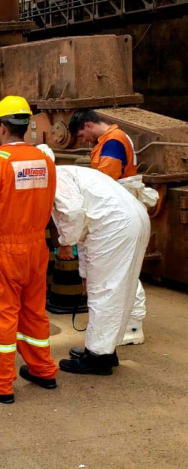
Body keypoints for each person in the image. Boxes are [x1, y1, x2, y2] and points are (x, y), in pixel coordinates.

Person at [0, 96, 58, 404]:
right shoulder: (44, 159)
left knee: (2, 314)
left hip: (4, 248)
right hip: (37, 246)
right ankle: (43, 368)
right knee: (34, 310)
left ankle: (0, 383)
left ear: (3, 128)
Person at [36, 146, 151, 375]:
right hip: (129, 221)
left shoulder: (55, 178)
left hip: (114, 228)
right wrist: (84, 274)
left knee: (105, 292)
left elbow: (73, 212)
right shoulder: (72, 173)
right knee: (116, 290)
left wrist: (65, 243)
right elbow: (86, 232)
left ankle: (98, 358)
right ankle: (105, 349)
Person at [68, 108, 147, 346]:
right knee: (123, 271)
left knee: (121, 272)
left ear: (89, 126)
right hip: (120, 210)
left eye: (83, 136)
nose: (85, 141)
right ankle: (128, 325)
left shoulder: (112, 141)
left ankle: (131, 325)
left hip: (116, 212)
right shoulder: (114, 138)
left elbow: (104, 180)